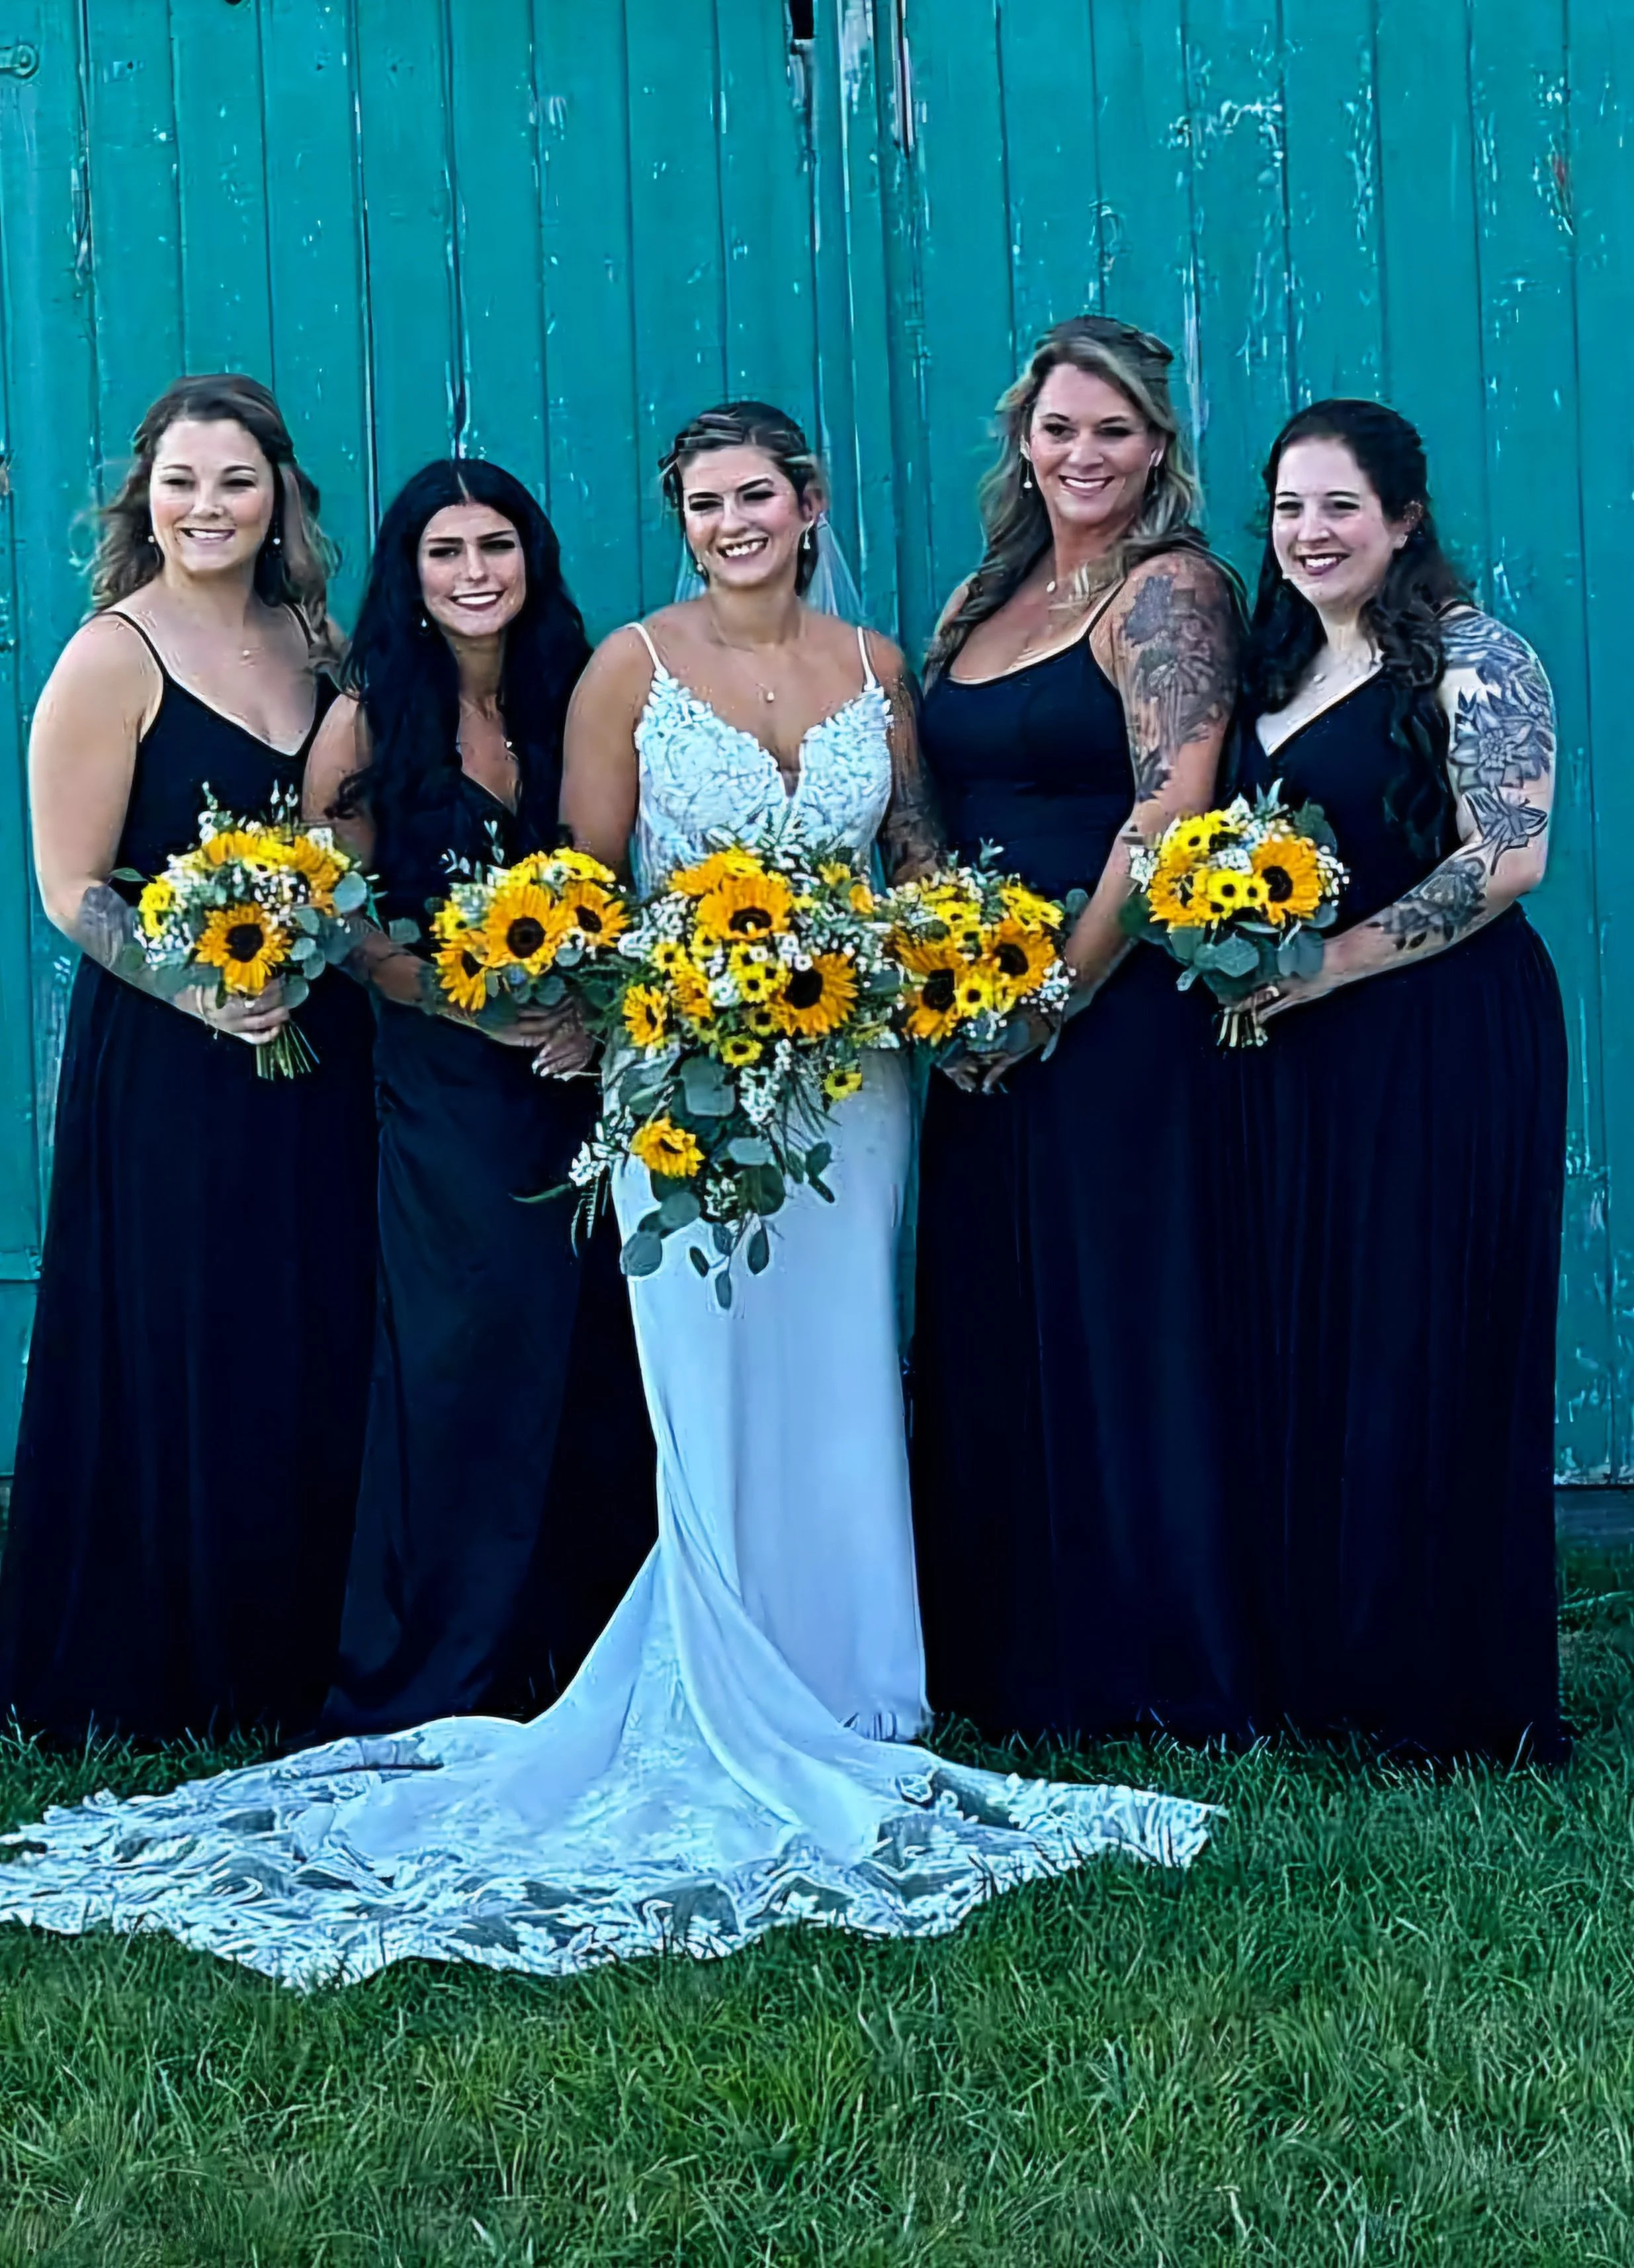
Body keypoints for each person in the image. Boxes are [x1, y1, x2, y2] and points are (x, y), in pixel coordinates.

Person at [0, 402, 1211, 1988]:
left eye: (754, 498)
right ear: (676, 519)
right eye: (704, 502)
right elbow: (580, 881)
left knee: (845, 1362)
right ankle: (703, 1664)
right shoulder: (618, 672)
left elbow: (913, 851)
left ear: (804, 503)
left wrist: (947, 957)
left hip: (854, 1077)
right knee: (692, 1381)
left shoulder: (880, 670)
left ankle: (859, 1675)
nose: (731, 523)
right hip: (673, 1054)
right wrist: (619, 991)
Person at [0, 374, 376, 1745]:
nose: (207, 506)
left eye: (234, 480)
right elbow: (70, 886)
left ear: (279, 496)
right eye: (181, 481)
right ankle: (175, 1656)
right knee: (188, 1329)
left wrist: (300, 958)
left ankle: (302, 1645)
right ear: (143, 499)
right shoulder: (114, 655)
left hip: (318, 1041)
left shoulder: (317, 641)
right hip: (172, 1055)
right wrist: (204, 990)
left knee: (309, 1323)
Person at [910, 314, 1258, 1745]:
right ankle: (1003, 1658)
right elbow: (916, 792)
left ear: (1158, 448)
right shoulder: (984, 594)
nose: (1081, 454)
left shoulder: (1168, 593)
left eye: (1111, 429)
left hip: (1111, 1017)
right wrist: (949, 973)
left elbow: (1168, 807)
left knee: (1119, 1319)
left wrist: (1056, 988)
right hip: (976, 1012)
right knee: (993, 1315)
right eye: (1058, 427)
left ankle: (1148, 1663)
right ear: (1022, 439)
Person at [1236, 398, 1566, 1762]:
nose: (1309, 535)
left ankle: (1446, 1687)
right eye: (1286, 509)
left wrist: (1333, 964)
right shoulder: (1273, 666)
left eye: (1337, 509)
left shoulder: (1474, 657)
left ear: (1402, 520)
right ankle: (1326, 1659)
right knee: (1324, 1330)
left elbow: (1506, 858)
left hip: (1442, 1031)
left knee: (1427, 1334)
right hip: (1313, 1047)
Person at [304, 460, 656, 1734]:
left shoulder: (578, 698)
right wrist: (485, 1010)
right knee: (463, 1357)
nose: (472, 574)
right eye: (444, 551)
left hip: (587, 1078)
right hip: (447, 1088)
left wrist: (592, 1014)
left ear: (531, 560)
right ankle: (437, 1666)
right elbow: (346, 927)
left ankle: (576, 1658)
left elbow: (632, 878)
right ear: (409, 573)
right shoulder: (364, 723)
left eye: (495, 547)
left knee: (594, 1358)